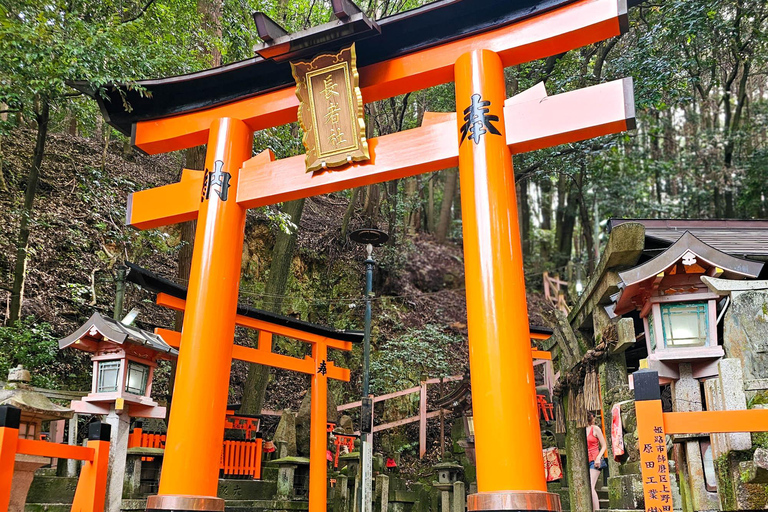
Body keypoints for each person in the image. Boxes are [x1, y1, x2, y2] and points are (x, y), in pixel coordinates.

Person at [586, 411, 607, 512]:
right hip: (585, 460)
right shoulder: (581, 430)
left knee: (591, 486)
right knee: (587, 487)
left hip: (595, 460)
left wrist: (599, 457)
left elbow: (604, 445)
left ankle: (596, 510)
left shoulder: (595, 429)